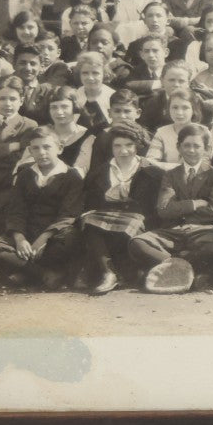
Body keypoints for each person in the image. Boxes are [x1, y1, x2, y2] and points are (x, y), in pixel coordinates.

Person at [0, 128, 84, 289]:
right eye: (36, 148)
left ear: (59, 148)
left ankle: (25, 272)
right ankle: (43, 274)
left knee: (70, 239)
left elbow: (68, 215)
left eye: (47, 147)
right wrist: (20, 239)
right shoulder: (25, 175)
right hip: (28, 232)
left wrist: (43, 239)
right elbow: (16, 210)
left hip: (54, 236)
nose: (41, 152)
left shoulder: (72, 176)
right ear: (30, 151)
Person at [131, 122, 213, 293]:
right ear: (178, 147)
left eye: (197, 146)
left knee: (211, 248)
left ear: (206, 149)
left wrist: (179, 209)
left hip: (202, 231)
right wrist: (195, 204)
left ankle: (168, 267)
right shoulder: (171, 175)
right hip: (173, 231)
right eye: (186, 145)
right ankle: (181, 268)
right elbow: (164, 210)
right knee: (137, 242)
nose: (191, 150)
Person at [76, 122, 163, 295]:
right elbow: (91, 202)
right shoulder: (100, 172)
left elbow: (152, 207)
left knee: (131, 225)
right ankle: (108, 272)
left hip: (138, 220)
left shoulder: (151, 172)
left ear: (137, 146)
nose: (123, 151)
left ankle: (110, 271)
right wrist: (107, 200)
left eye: (129, 145)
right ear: (111, 147)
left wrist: (127, 202)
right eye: (117, 145)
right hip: (105, 217)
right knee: (88, 220)